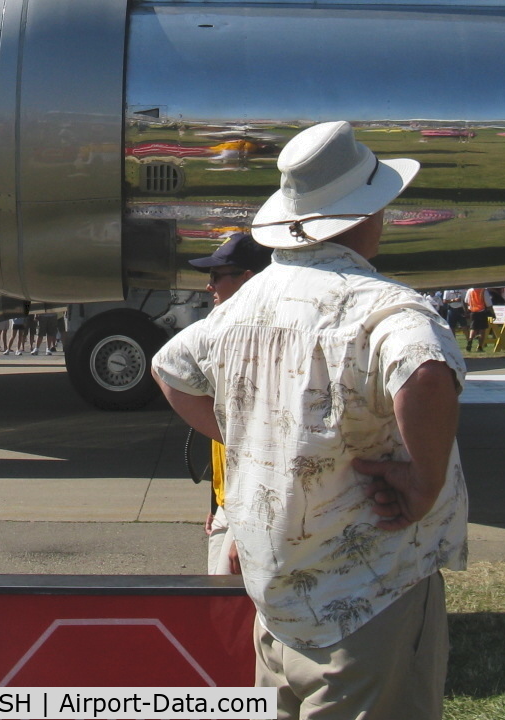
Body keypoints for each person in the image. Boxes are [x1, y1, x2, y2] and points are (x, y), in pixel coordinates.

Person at [153, 121, 466, 720]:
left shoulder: (244, 301)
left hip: (276, 602)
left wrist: (252, 438)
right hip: (369, 599)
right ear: (365, 216)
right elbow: (425, 372)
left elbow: (170, 371)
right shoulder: (379, 304)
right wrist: (424, 485)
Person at [186, 233, 273, 575]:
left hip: (249, 509)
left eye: (216, 276)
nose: (209, 287)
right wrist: (216, 501)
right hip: (228, 504)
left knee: (230, 612)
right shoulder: (229, 339)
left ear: (247, 279)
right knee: (216, 609)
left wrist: (245, 529)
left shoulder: (262, 345)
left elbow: (262, 445)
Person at [464, 285, 489, 352]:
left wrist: (467, 311)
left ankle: (470, 341)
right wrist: (492, 312)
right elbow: (488, 303)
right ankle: (479, 347)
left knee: (473, 328)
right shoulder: (483, 290)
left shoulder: (469, 290)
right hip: (482, 312)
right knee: (482, 329)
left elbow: (466, 301)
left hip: (473, 311)